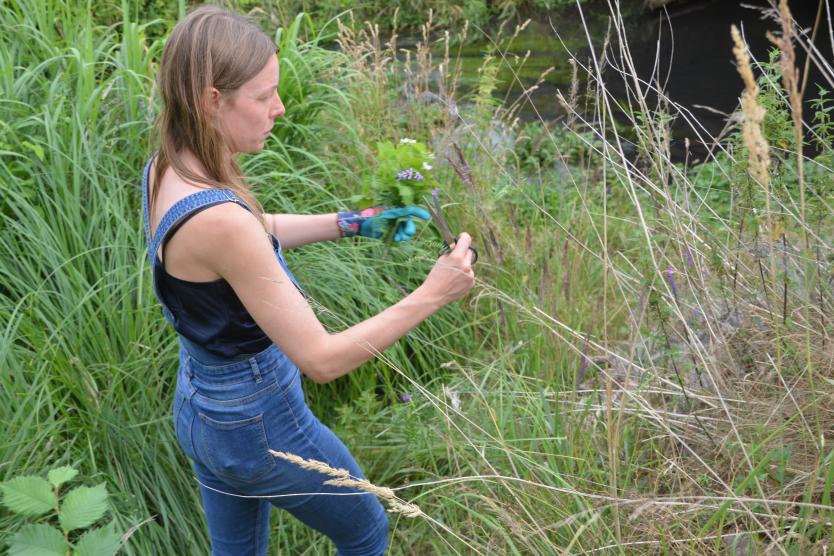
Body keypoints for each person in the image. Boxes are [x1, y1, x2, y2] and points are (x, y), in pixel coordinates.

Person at [140, 6, 476, 555]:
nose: (280, 107)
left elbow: (248, 234)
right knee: (367, 529)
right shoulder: (220, 219)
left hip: (201, 407)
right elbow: (321, 360)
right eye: (264, 96)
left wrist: (351, 223)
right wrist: (433, 292)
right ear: (211, 99)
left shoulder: (170, 168)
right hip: (259, 424)